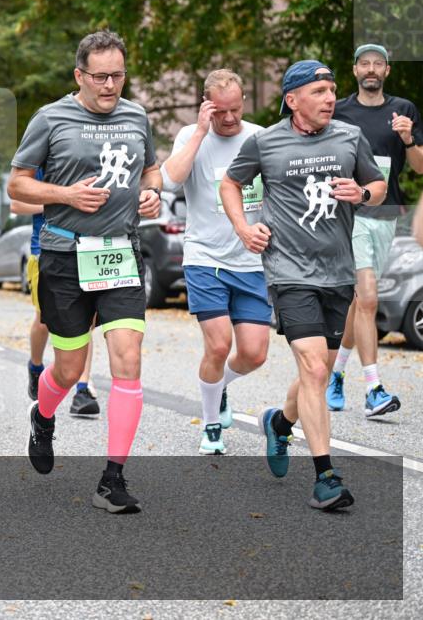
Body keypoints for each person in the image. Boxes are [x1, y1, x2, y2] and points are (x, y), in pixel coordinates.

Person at [7, 30, 162, 514]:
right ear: (80, 75)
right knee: (71, 367)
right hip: (65, 257)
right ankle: (43, 412)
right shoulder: (51, 118)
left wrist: (152, 193)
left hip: (121, 254)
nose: (110, 85)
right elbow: (18, 184)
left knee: (127, 357)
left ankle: (112, 478)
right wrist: (67, 195)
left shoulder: (137, 116)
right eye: (100, 77)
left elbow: (150, 171)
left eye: (118, 75)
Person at [222, 59, 386, 511]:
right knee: (314, 369)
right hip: (289, 272)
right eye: (319, 91)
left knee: (318, 370)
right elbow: (231, 184)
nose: (330, 98)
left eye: (332, 90)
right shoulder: (265, 142)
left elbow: (377, 183)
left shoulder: (350, 137)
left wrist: (365, 194)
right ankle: (325, 477)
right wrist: (243, 228)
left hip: (338, 272)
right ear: (293, 100)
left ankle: (280, 422)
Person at [161, 69, 271, 455]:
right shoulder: (191, 137)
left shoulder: (260, 137)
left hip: (252, 262)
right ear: (206, 106)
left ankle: (217, 386)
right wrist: (198, 134)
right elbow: (170, 181)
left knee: (255, 353)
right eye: (220, 111)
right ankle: (211, 425)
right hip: (205, 257)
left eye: (235, 110)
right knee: (219, 344)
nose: (229, 118)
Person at [328, 44, 423, 416]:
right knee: (367, 298)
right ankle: (373, 388)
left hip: (387, 214)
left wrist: (409, 139)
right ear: (354, 70)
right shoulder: (339, 111)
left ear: (387, 71)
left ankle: (336, 374)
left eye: (377, 64)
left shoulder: (404, 111)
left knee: (360, 304)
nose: (371, 69)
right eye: (364, 63)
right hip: (350, 213)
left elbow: (418, 168)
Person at [11, 172, 99, 417]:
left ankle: (82, 389)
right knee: (44, 320)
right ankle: (36, 367)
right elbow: (16, 203)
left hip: (87, 248)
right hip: (46, 249)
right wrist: (64, 199)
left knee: (85, 319)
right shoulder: (43, 157)